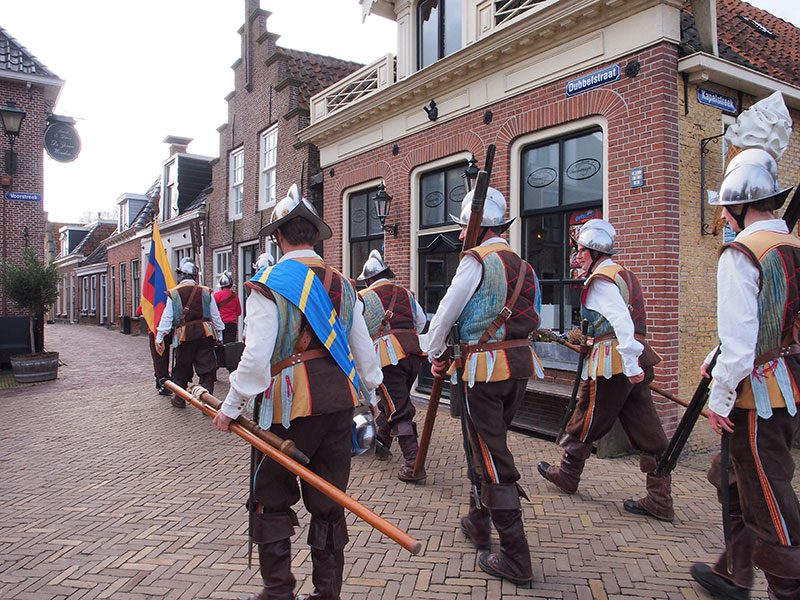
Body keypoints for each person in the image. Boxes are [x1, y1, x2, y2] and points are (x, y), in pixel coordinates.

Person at [212, 184, 382, 600]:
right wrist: (372, 399)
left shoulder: (269, 282)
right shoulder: (343, 283)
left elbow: (255, 359)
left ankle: (278, 592)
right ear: (315, 235)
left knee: (270, 499)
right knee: (328, 504)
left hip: (289, 409)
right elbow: (364, 351)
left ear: (278, 236)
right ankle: (327, 595)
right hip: (340, 404)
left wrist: (231, 406)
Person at [690, 148, 800, 600]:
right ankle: (736, 572)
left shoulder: (742, 252)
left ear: (736, 206)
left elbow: (741, 339)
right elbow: (768, 320)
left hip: (754, 393)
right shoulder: (791, 247)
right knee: (730, 478)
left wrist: (719, 398)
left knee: (768, 499)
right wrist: (718, 356)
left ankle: (788, 588)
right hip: (786, 383)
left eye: (725, 210)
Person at [421, 186, 542, 587]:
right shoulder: (524, 265)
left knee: (490, 453)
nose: (459, 236)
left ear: (477, 227)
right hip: (519, 368)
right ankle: (478, 521)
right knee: (486, 443)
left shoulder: (475, 261)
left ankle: (514, 555)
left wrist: (434, 352)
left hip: (483, 371)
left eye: (463, 228)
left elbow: (445, 313)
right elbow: (534, 316)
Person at [537, 219, 673, 522]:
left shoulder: (600, 279)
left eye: (581, 251)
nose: (578, 257)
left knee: (587, 415)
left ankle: (568, 475)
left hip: (615, 362)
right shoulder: (623, 273)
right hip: (631, 359)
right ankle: (660, 498)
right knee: (646, 427)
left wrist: (630, 363)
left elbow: (622, 323)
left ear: (595, 253)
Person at [357, 249, 427, 482]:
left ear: (368, 279)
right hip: (414, 353)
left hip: (387, 358)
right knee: (395, 400)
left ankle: (413, 464)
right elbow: (421, 322)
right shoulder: (407, 293)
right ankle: (382, 441)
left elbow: (356, 331)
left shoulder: (363, 297)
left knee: (399, 408)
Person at [155, 257, 224, 407]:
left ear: (181, 275)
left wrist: (159, 337)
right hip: (205, 335)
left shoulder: (174, 294)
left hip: (184, 337)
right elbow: (216, 317)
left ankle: (179, 399)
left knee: (181, 369)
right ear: (194, 276)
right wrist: (219, 335)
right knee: (207, 369)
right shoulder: (206, 292)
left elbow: (167, 319)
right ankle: (208, 404)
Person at [136, 303, 172, 396]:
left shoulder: (148, 299)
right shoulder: (167, 297)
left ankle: (163, 382)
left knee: (158, 357)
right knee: (165, 355)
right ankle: (160, 379)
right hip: (168, 330)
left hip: (154, 330)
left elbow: (138, 312)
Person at [214, 270, 242, 343]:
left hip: (220, 324)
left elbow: (213, 311)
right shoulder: (235, 296)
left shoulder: (216, 296)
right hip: (232, 325)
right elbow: (239, 312)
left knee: (219, 346)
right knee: (229, 348)